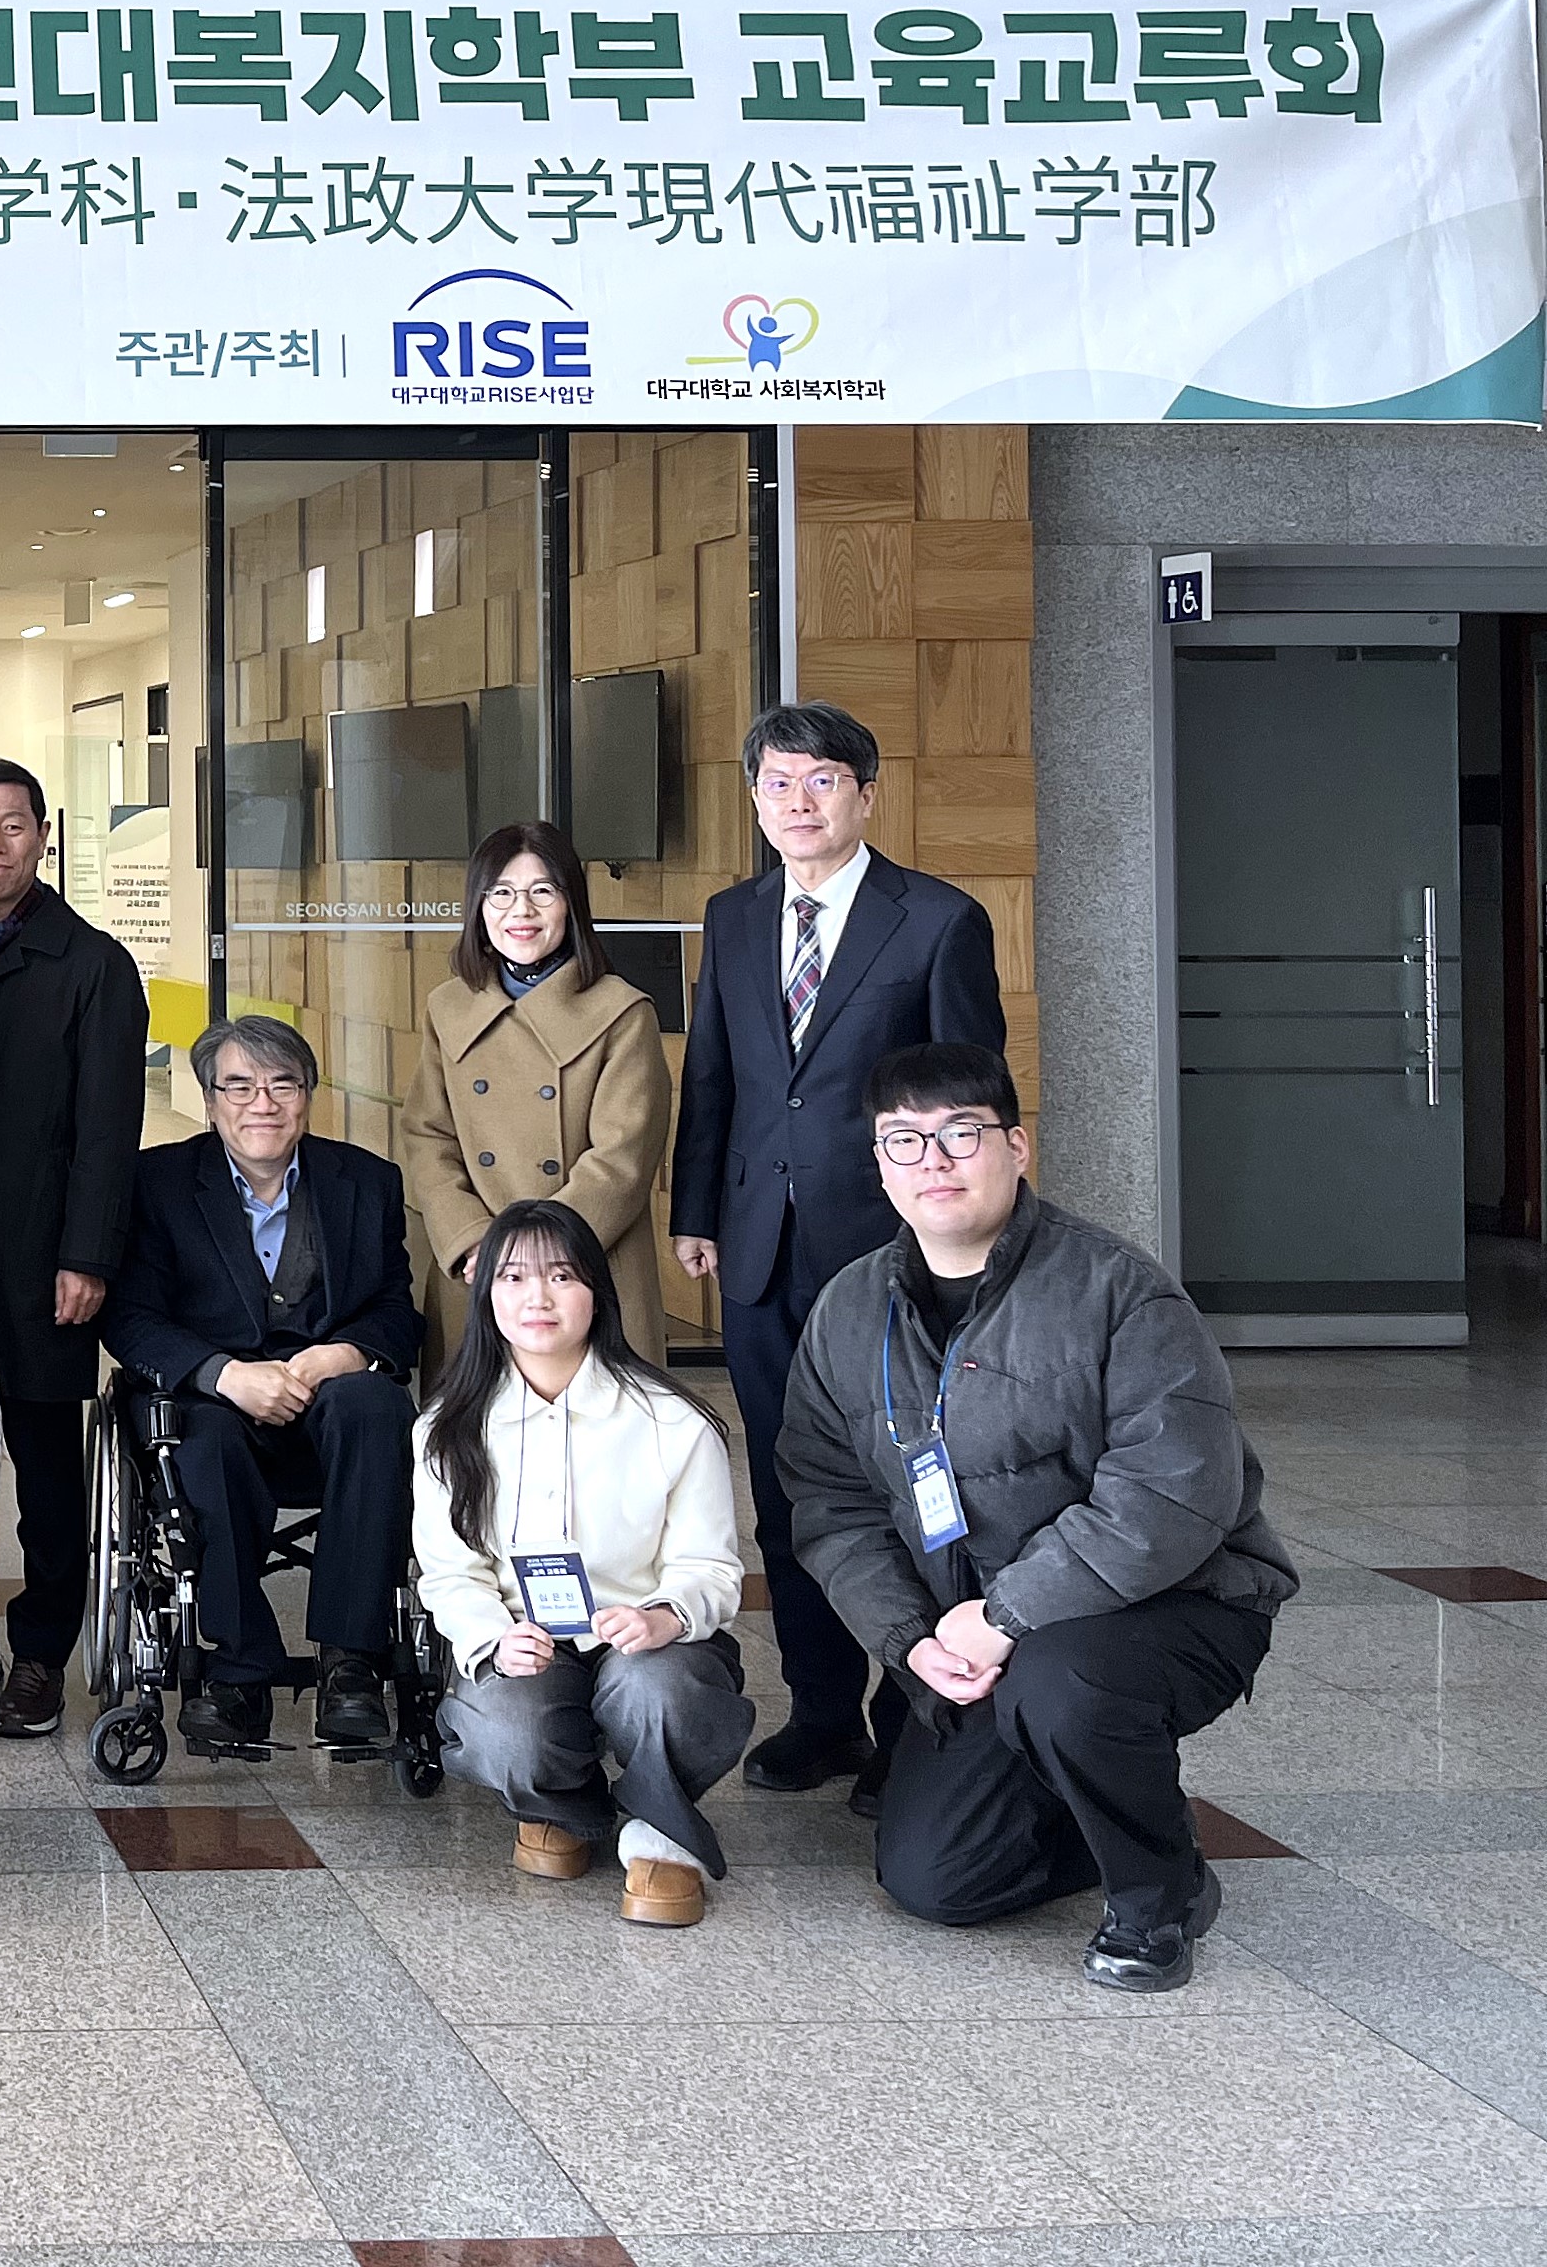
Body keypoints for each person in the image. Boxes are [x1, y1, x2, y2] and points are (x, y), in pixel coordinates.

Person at [780, 1045, 1295, 1993]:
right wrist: (909, 1639)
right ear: (880, 1165)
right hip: (974, 1633)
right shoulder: (849, 1309)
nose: (934, 1160)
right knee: (935, 1879)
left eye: (961, 1133)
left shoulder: (1117, 1288)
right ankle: (1096, 1800)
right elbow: (831, 1501)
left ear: (1016, 1148)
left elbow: (1171, 1494)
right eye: (904, 1140)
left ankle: (1158, 1894)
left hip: (1172, 1604)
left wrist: (1007, 1614)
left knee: (1063, 1689)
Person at [669, 701, 1010, 1801]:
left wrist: (959, 1235)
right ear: (755, 798)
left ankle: (912, 1718)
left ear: (865, 793)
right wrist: (697, 1210)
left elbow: (972, 1091)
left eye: (822, 781)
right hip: (759, 1248)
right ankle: (822, 1715)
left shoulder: (937, 919)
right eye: (777, 783)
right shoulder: (731, 916)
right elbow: (713, 1073)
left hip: (892, 1253)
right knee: (790, 1491)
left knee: (911, 1486)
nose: (798, 802)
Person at [414, 1199, 752, 1929]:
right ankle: (569, 1805)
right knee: (505, 1733)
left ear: (598, 1292)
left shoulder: (672, 1419)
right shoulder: (447, 1428)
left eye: (562, 1276)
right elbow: (449, 1572)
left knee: (661, 1694)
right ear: (486, 1294)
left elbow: (712, 1566)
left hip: (649, 1647)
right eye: (513, 1277)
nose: (537, 1297)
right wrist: (492, 1639)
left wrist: (664, 1616)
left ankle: (661, 1828)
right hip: (529, 1645)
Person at [101, 1016, 425, 1758]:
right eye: (240, 1087)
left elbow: (396, 1310)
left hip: (328, 1404)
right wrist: (224, 1374)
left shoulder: (366, 1181)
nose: (263, 1104)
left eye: (283, 1085)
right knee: (199, 1437)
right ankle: (237, 1672)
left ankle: (351, 1663)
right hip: (212, 1397)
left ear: (308, 1095)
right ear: (210, 1101)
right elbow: (132, 1317)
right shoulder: (159, 1183)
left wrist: (341, 1354)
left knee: (376, 1407)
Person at [0, 755, 146, 1740]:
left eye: (13, 826)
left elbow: (109, 1131)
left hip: (46, 1254)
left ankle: (43, 1652)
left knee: (44, 1467)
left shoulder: (94, 964)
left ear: (44, 836)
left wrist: (88, 1256)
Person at [399, 822, 674, 1369]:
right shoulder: (447, 1007)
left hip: (586, 1261)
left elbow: (623, 1157)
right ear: (479, 907)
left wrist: (536, 1255)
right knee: (478, 1416)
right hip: (478, 1266)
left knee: (594, 1417)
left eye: (542, 891)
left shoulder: (622, 1011)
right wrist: (472, 1239)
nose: (520, 911)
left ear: (571, 904)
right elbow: (427, 1136)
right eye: (500, 893)